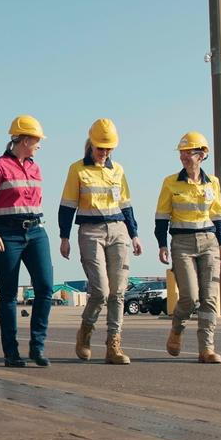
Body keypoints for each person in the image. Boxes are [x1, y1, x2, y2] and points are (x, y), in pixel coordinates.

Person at [59, 118, 143, 364]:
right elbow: (67, 206)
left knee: (118, 292)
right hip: (90, 231)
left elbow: (126, 205)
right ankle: (85, 331)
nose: (104, 153)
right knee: (100, 290)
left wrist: (134, 234)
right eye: (100, 148)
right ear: (90, 145)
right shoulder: (77, 170)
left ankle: (113, 345)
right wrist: (64, 237)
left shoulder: (117, 170)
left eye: (109, 149)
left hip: (118, 230)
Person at [0, 115, 53, 367]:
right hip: (6, 235)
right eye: (37, 140)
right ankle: (11, 353)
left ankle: (37, 347)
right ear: (25, 139)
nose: (39, 145)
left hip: (36, 232)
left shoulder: (36, 167)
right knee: (9, 294)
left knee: (45, 287)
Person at [155, 132, 221, 364]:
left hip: (209, 242)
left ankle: (206, 348)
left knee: (210, 298)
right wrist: (161, 244)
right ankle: (177, 328)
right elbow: (161, 216)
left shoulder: (212, 183)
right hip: (182, 243)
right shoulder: (170, 182)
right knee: (190, 297)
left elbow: (218, 215)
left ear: (203, 154)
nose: (185, 157)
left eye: (190, 152)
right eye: (182, 153)